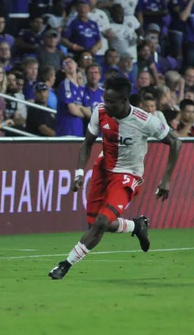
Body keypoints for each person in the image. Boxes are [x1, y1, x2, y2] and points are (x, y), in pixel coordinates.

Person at [49, 75, 182, 280]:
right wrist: (79, 174)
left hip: (127, 175)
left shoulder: (144, 120)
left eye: (111, 101)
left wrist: (166, 180)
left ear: (124, 100)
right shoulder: (100, 111)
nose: (106, 104)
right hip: (103, 170)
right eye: (105, 99)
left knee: (102, 222)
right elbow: (87, 143)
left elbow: (175, 143)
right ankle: (136, 225)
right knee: (97, 224)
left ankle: (65, 264)